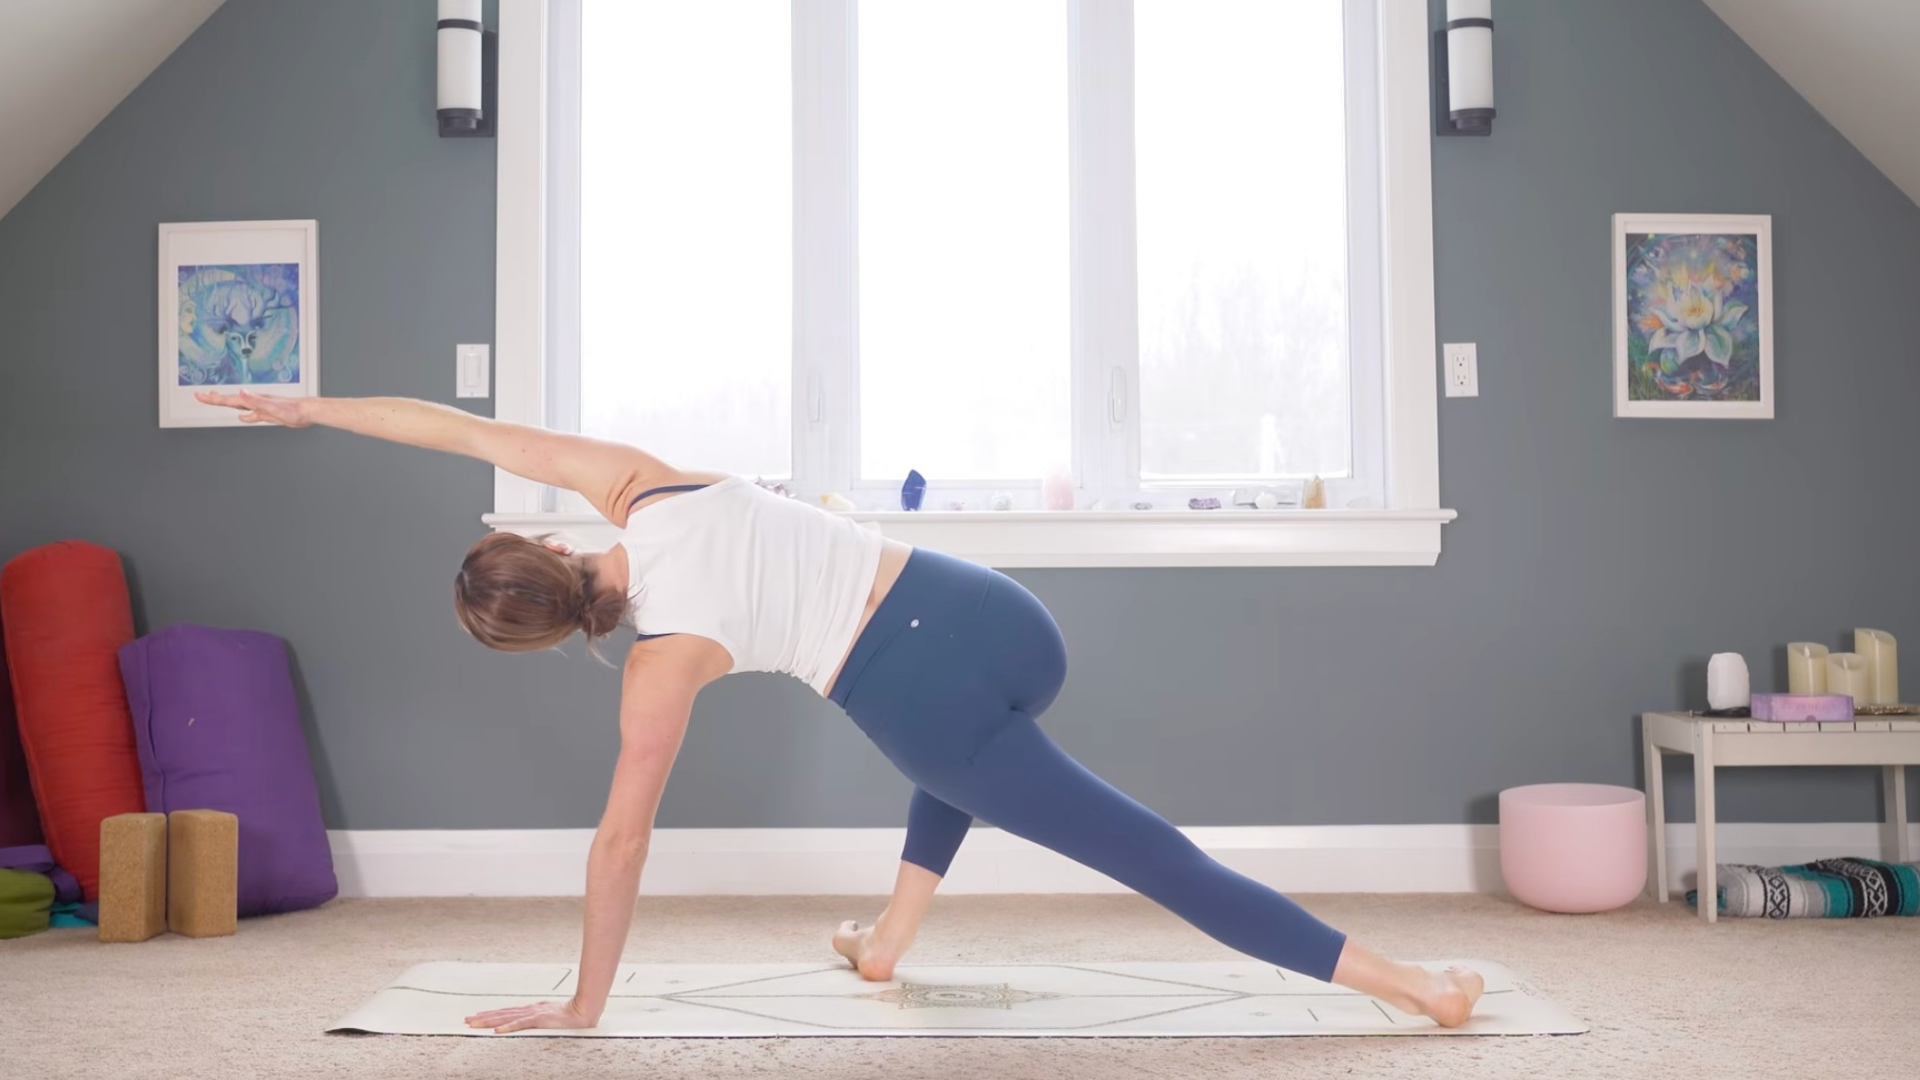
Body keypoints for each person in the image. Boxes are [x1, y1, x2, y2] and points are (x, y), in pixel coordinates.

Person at [196, 388, 1484, 1034]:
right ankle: (887, 943)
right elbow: (457, 430)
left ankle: (1418, 990)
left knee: (1145, 853)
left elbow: (620, 843)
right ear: (546, 541)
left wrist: (585, 1003)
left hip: (919, 700)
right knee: (975, 766)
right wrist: (309, 406)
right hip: (998, 617)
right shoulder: (639, 484)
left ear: (542, 637)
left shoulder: (660, 665)